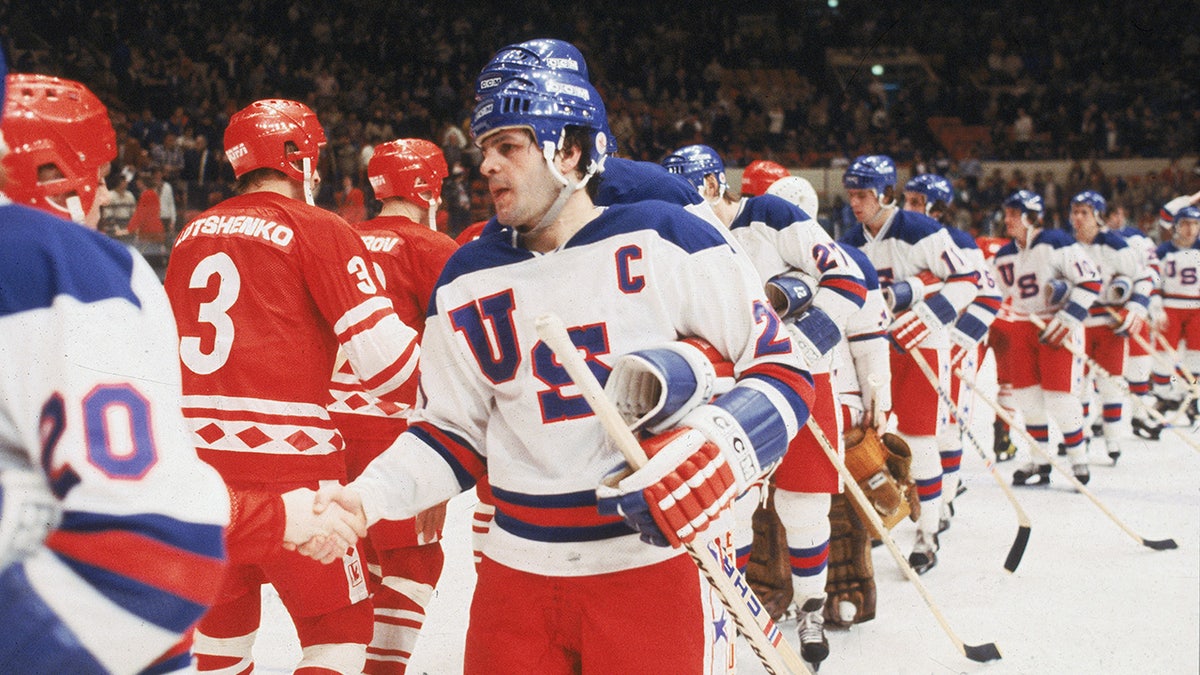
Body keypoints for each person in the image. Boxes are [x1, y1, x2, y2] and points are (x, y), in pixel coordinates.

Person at [311, 50, 815, 675]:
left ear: (571, 151)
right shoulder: (465, 277)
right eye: (484, 146)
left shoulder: (669, 237)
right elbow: (450, 432)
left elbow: (783, 367)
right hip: (514, 583)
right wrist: (366, 499)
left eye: (509, 145)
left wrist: (721, 447)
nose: (486, 163)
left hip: (647, 575)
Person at [164, 98, 424, 674]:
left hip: (205, 476)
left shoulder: (189, 234)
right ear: (300, 158)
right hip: (296, 475)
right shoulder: (317, 228)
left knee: (223, 639)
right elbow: (390, 371)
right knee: (339, 631)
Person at [0, 66, 229, 674]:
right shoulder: (66, 265)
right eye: (98, 178)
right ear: (49, 174)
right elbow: (151, 545)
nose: (103, 197)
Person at [663, 142, 868, 666]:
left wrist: (805, 340)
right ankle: (731, 617)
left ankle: (811, 611)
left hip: (802, 380)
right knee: (729, 511)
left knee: (804, 509)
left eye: (688, 197)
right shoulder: (683, 236)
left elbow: (847, 277)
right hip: (734, 392)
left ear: (713, 185)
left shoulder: (773, 215)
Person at [328, 137, 458, 674]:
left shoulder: (339, 239)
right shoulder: (435, 248)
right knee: (414, 562)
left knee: (361, 559)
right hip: (400, 431)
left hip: (332, 428)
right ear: (428, 186)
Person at [838, 155, 982, 574]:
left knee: (920, 442)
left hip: (922, 349)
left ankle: (928, 533)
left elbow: (966, 279)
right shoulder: (850, 240)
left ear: (885, 193)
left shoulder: (921, 230)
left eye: (863, 194)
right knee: (876, 441)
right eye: (851, 194)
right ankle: (892, 515)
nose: (855, 203)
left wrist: (927, 315)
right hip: (874, 352)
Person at [903, 173, 1003, 530]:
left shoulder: (960, 242)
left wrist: (960, 343)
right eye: (907, 200)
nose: (908, 208)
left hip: (950, 346)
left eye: (917, 202)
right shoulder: (901, 236)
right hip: (910, 346)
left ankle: (944, 500)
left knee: (944, 429)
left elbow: (989, 296)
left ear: (938, 208)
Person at [990, 190, 1101, 485]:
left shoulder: (1056, 242)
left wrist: (1069, 317)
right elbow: (993, 295)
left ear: (1030, 216)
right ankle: (1040, 460)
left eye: (1014, 214)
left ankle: (1078, 460)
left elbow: (1090, 280)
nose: (1008, 219)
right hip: (1022, 327)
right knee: (1027, 397)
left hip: (1056, 326)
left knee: (1060, 398)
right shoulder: (1004, 255)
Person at [1068, 190, 1151, 464]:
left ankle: (1113, 438)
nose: (1078, 218)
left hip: (1108, 325)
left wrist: (1134, 309)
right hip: (1076, 326)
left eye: (1085, 213)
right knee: (1077, 387)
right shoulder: (1063, 245)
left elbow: (1143, 279)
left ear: (1098, 217)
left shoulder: (1115, 245)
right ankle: (1080, 438)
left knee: (1111, 384)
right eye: (1075, 212)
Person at [1150, 205, 1200, 426]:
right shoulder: (1162, 251)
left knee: (1195, 356)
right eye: (1185, 224)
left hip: (1197, 308)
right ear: (1176, 226)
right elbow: (1153, 283)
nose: (1190, 229)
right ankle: (1163, 397)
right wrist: (1156, 306)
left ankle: (1190, 398)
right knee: (1162, 355)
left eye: (1195, 224)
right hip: (1170, 306)